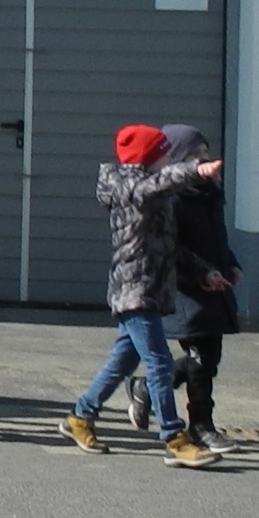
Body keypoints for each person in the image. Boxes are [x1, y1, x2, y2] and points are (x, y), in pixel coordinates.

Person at [63, 125, 223, 466]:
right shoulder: (132, 189)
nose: (168, 159)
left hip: (148, 291)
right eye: (163, 154)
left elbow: (170, 247)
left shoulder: (153, 197)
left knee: (123, 360)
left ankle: (80, 417)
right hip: (133, 291)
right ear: (147, 159)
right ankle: (174, 438)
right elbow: (162, 182)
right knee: (161, 363)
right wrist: (196, 169)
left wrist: (203, 272)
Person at [161, 124, 241, 451]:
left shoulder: (209, 195)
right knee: (198, 358)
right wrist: (201, 275)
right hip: (185, 291)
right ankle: (201, 426)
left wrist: (230, 264)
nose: (203, 160)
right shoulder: (172, 199)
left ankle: (145, 388)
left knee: (209, 359)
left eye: (205, 152)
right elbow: (171, 249)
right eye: (195, 154)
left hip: (213, 285)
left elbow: (216, 240)